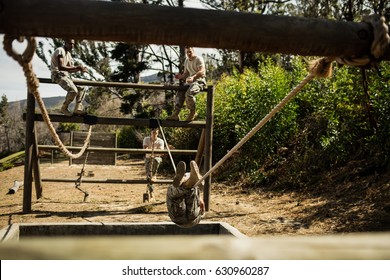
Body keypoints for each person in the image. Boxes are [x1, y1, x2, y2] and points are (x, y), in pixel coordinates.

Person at [167, 47, 207, 121]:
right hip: (190, 82)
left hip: (199, 81)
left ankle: (192, 113)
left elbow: (202, 71)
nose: (188, 54)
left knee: (189, 94)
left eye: (190, 52)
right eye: (187, 52)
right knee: (179, 93)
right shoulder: (186, 61)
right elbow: (186, 73)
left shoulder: (198, 59)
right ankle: (176, 114)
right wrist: (180, 76)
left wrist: (193, 77)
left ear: (193, 51)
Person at [50, 39, 88, 117]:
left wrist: (80, 69)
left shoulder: (68, 54)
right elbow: (61, 67)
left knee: (82, 87)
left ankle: (78, 108)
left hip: (66, 75)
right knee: (73, 90)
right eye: (70, 44)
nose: (72, 46)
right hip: (58, 74)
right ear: (65, 43)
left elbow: (70, 69)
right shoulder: (60, 50)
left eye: (73, 44)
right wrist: (77, 67)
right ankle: (64, 108)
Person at [166, 160, 205, 228]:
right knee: (191, 191)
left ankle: (184, 182)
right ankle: (189, 183)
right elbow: (202, 204)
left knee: (173, 195)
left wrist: (202, 212)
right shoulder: (196, 188)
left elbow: (202, 205)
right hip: (193, 218)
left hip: (178, 218)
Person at [143, 128, 165, 197]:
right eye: (153, 132)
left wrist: (153, 153)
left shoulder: (160, 141)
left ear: (158, 133)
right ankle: (150, 191)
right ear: (151, 132)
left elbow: (161, 152)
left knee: (156, 161)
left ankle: (154, 175)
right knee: (149, 176)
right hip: (148, 158)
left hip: (156, 158)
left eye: (156, 133)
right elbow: (145, 149)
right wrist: (154, 151)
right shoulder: (146, 139)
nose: (155, 134)